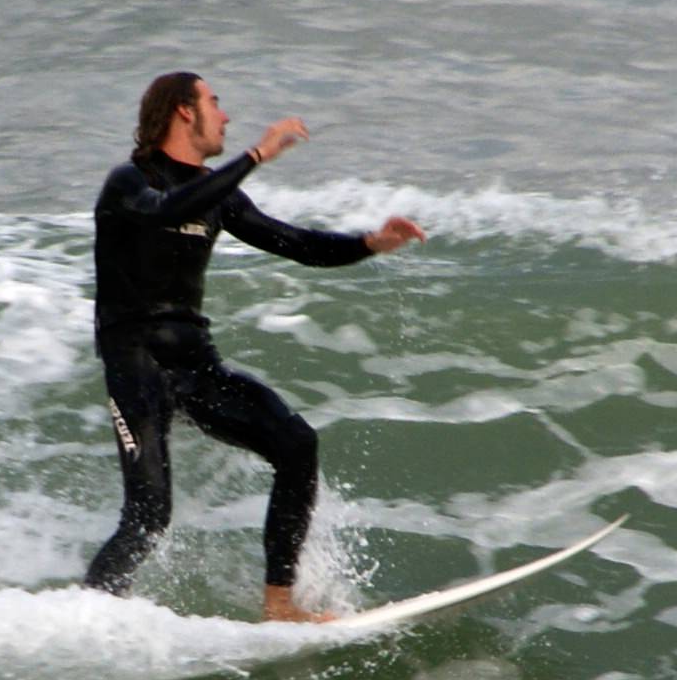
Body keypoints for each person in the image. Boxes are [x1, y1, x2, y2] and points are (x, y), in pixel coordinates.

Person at [86, 70, 424, 618]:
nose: (225, 116)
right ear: (185, 111)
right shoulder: (128, 182)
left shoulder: (218, 196)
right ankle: (88, 618)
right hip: (136, 363)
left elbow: (295, 242)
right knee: (148, 518)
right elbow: (166, 210)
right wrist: (258, 153)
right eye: (214, 103)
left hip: (194, 362)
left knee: (296, 444)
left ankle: (279, 604)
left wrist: (370, 243)